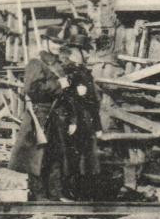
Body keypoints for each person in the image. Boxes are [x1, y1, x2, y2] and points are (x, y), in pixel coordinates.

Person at [9, 25, 73, 200]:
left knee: (56, 156)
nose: (58, 46)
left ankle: (55, 195)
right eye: (55, 42)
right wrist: (59, 85)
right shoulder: (36, 63)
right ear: (45, 41)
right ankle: (39, 196)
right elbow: (32, 89)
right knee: (38, 157)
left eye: (60, 43)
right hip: (41, 115)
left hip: (57, 115)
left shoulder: (57, 64)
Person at [59, 32, 103, 199]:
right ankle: (69, 191)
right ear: (75, 52)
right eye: (85, 50)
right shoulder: (67, 71)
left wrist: (97, 126)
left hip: (86, 120)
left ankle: (84, 193)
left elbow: (93, 102)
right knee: (73, 156)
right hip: (75, 119)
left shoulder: (84, 72)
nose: (88, 54)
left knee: (87, 157)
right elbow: (64, 98)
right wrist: (72, 121)